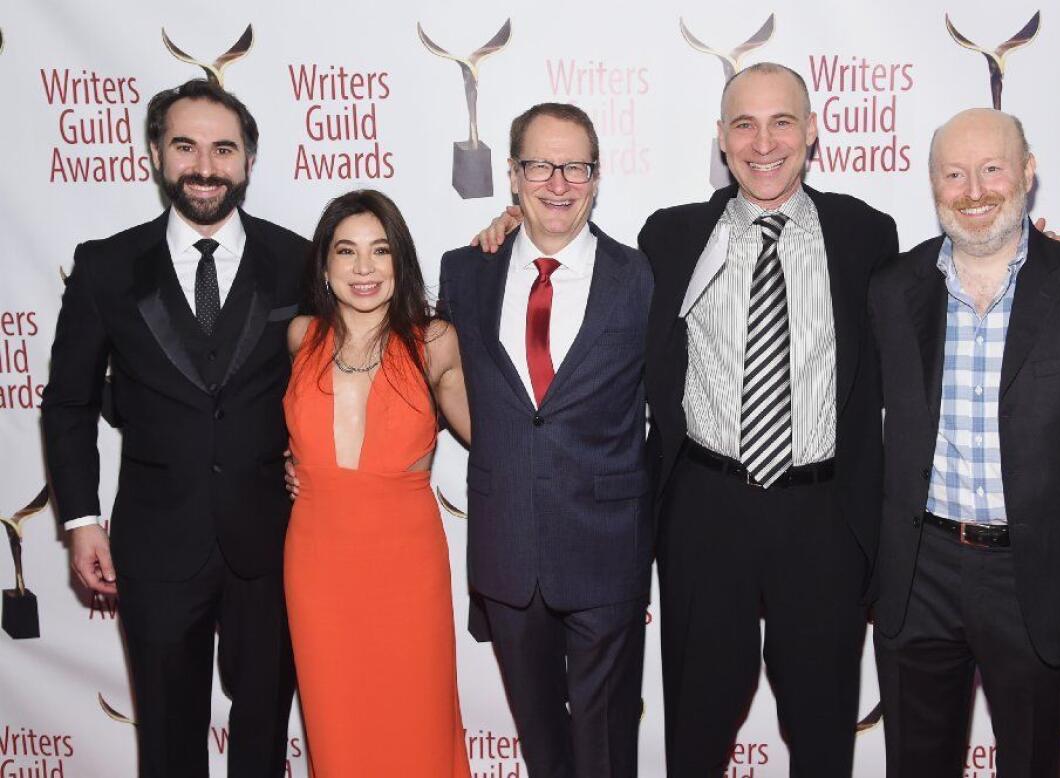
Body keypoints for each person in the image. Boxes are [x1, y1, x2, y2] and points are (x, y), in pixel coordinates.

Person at [474, 65, 897, 776]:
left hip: (826, 520)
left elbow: (944, 291)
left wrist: (1040, 256)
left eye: (781, 122)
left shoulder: (865, 234)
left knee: (824, 737)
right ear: (721, 141)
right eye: (743, 125)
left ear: (813, 130)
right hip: (705, 513)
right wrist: (515, 227)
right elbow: (577, 263)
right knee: (694, 736)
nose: (764, 143)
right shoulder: (670, 239)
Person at [867, 108, 1060, 778]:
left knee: (1030, 762)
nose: (975, 189)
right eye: (955, 173)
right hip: (919, 570)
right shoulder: (892, 287)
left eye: (993, 168)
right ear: (933, 184)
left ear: (1027, 172)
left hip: (1038, 575)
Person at [42, 79, 306, 777]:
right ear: (156, 154)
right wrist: (81, 520)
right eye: (185, 146)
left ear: (249, 159)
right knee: (166, 742)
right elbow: (68, 403)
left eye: (224, 149)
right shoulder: (105, 266)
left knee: (262, 743)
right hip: (155, 543)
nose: (205, 166)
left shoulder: (301, 261)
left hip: (274, 540)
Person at [442, 103, 654, 777]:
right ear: (511, 174)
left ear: (596, 177)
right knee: (543, 751)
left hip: (606, 550)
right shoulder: (464, 272)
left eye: (575, 167)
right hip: (507, 556)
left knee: (606, 753)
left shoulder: (642, 277)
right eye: (539, 164)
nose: (557, 182)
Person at [282, 189, 470, 775]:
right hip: (316, 561)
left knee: (415, 715)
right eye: (346, 251)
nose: (363, 269)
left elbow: (491, 435)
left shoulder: (434, 340)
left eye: (379, 251)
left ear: (400, 262)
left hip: (405, 561)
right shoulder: (300, 337)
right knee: (335, 718)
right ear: (325, 264)